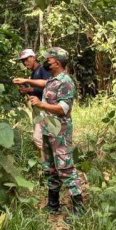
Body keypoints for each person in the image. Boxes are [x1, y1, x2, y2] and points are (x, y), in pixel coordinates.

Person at [13, 47, 85, 220]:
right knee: (50, 168)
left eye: (49, 59)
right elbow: (43, 84)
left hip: (60, 132)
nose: (46, 61)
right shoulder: (52, 80)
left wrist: (41, 104)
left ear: (57, 63)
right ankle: (53, 204)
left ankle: (79, 209)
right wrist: (26, 82)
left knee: (65, 168)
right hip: (48, 128)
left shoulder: (66, 82)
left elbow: (63, 109)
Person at [16, 48, 52, 153]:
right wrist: (25, 91)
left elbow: (49, 86)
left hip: (43, 108)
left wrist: (31, 89)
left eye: (26, 59)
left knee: (38, 138)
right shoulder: (32, 74)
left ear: (33, 58)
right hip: (36, 108)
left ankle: (51, 158)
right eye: (23, 61)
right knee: (40, 136)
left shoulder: (42, 70)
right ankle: (41, 159)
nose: (25, 63)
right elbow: (35, 91)